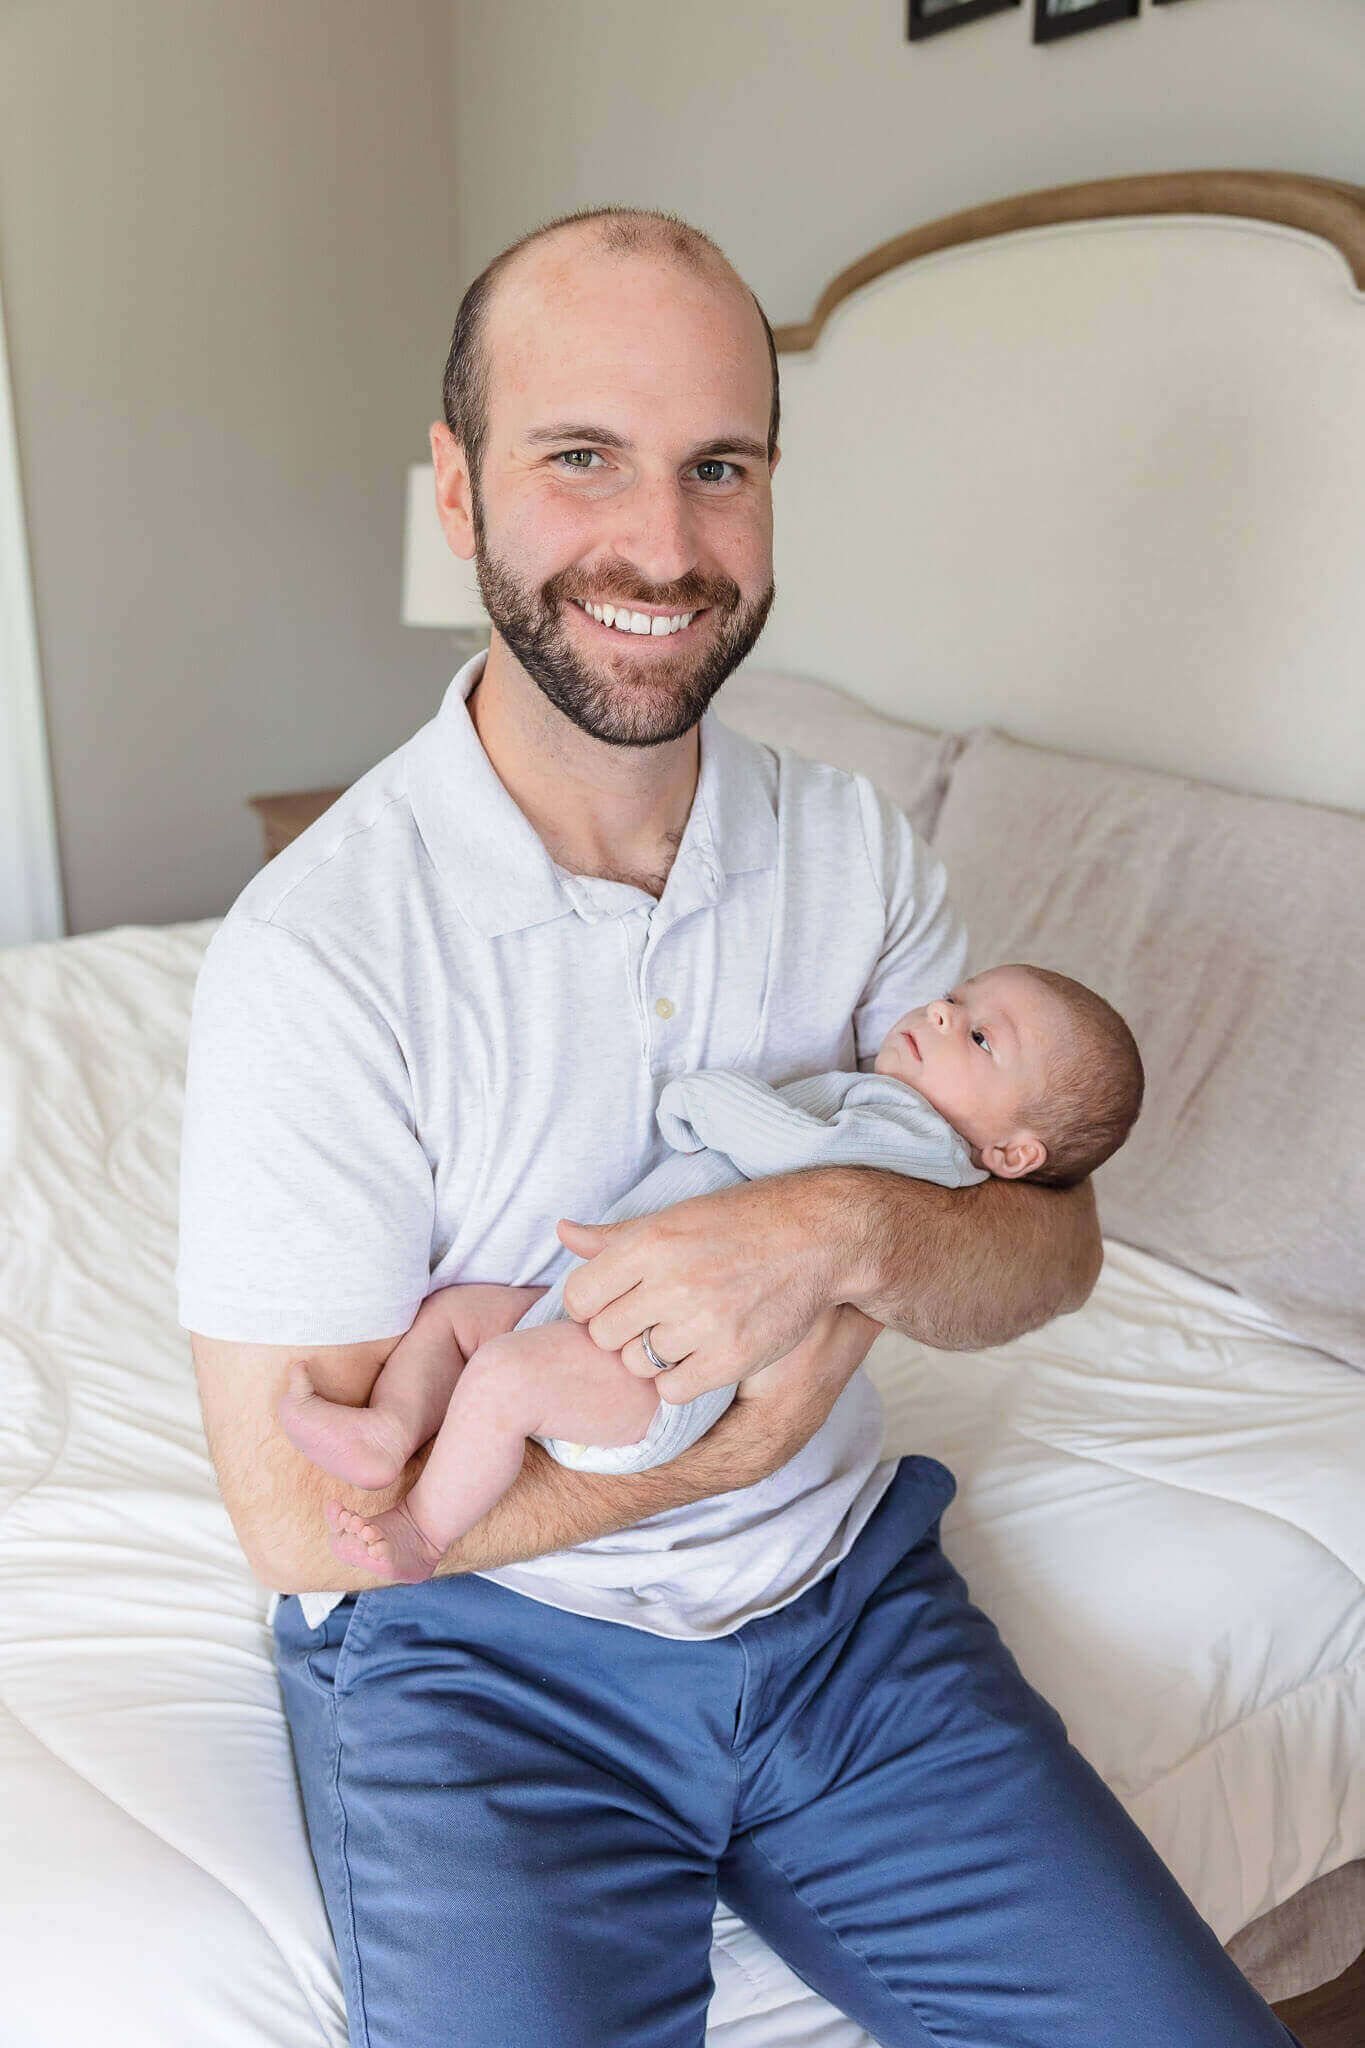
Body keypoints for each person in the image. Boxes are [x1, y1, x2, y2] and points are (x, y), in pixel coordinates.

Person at [178, 207, 1306, 2045]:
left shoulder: (855, 849)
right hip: (479, 1676)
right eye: (580, 459)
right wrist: (700, 1462)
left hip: (847, 1619)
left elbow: (1050, 1242)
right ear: (457, 495)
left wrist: (841, 1229)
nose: (665, 544)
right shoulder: (320, 949)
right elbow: (304, 1524)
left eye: (721, 466)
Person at [277, 964, 1144, 1586]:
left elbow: (785, 1144)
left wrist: (695, 1098)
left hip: (655, 1381)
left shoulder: (917, 1144)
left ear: (1012, 1153)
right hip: (598, 1326)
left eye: (984, 1036)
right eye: (957, 999)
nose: (945, 1015)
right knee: (462, 1314)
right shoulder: (881, 1104)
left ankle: (422, 1531)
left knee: (501, 1374)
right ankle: (389, 1430)